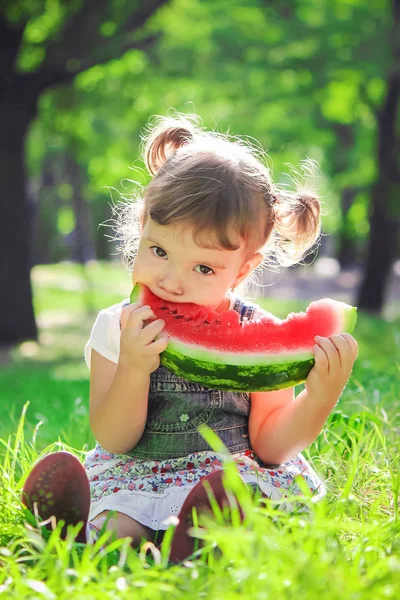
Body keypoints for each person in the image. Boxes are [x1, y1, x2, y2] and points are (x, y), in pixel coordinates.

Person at [22, 112, 358, 563]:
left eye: (203, 268)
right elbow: (114, 436)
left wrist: (319, 397)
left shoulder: (258, 338)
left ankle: (197, 543)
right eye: (159, 251)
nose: (172, 282)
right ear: (142, 227)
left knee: (235, 506)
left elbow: (272, 447)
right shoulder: (114, 325)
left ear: (243, 269)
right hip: (138, 476)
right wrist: (134, 368)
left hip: (227, 474)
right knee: (118, 525)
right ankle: (71, 529)